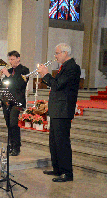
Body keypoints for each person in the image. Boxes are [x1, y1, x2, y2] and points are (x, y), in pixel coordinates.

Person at [38, 43, 80, 182]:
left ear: (65, 53)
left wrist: (46, 75)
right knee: (54, 141)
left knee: (62, 142)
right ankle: (57, 169)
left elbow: (57, 85)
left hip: (64, 109)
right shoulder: (64, 67)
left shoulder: (73, 67)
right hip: (57, 109)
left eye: (57, 53)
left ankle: (67, 173)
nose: (55, 56)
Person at [0, 50, 29, 156]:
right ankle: (11, 145)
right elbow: (6, 85)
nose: (10, 61)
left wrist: (8, 75)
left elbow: (19, 85)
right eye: (9, 59)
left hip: (17, 101)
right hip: (7, 101)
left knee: (14, 123)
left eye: (12, 59)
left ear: (18, 59)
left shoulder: (24, 70)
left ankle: (16, 147)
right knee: (8, 124)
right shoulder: (9, 70)